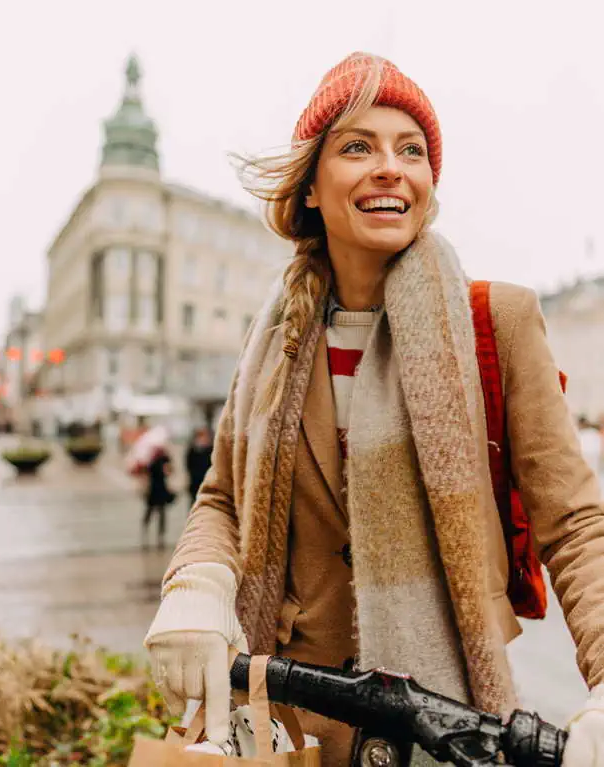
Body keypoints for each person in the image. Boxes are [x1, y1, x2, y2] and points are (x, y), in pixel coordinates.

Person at [144, 53, 604, 766]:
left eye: (410, 150)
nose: (390, 167)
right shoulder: (273, 340)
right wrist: (196, 588)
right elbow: (223, 499)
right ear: (311, 189)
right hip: (288, 724)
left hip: (450, 725)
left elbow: (575, 525)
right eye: (357, 146)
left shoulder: (496, 322)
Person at [138, 425, 175, 550]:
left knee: (162, 513)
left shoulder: (165, 457)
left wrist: (168, 469)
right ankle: (145, 534)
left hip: (162, 488)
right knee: (149, 512)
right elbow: (144, 473)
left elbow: (171, 471)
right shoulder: (150, 458)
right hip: (153, 488)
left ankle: (161, 537)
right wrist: (144, 486)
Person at [184, 426, 214, 508]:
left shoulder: (211, 449)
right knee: (194, 502)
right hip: (195, 481)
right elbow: (188, 464)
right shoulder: (193, 449)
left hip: (207, 480)